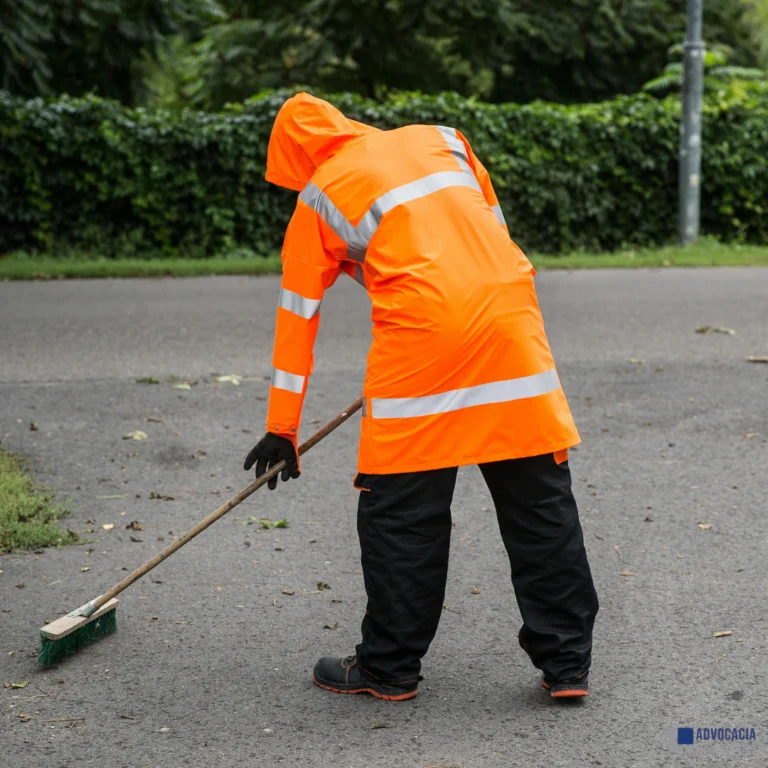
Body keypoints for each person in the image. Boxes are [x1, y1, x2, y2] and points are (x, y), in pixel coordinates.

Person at [244, 92, 599, 701]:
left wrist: (284, 428)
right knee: (539, 505)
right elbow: (493, 230)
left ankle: (389, 666)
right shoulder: (442, 137)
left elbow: (297, 318)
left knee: (402, 514)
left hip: (421, 348)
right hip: (511, 327)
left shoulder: (319, 195)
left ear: (295, 159)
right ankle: (567, 666)